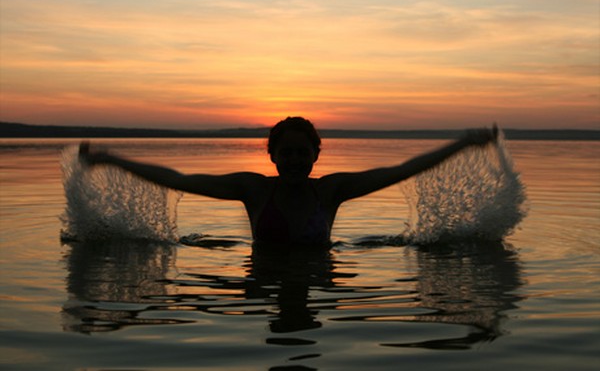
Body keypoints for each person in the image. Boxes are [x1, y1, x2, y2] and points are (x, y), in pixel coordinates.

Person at [79, 117, 497, 246]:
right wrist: (111, 159)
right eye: (287, 152)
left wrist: (462, 144)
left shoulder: (330, 190)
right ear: (272, 155)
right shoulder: (254, 190)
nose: (295, 160)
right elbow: (180, 178)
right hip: (264, 276)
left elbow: (402, 170)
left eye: (303, 152)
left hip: (318, 274)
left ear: (317, 155)